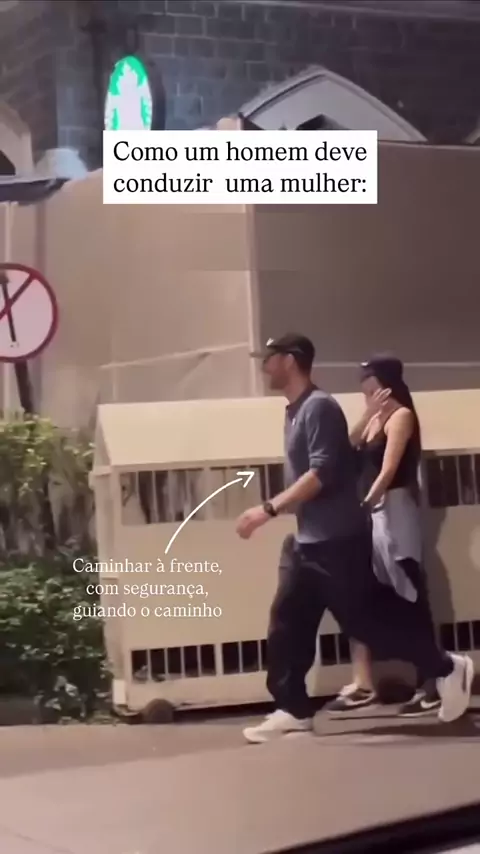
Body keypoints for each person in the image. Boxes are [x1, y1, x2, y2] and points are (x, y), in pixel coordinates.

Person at [235, 334, 473, 744]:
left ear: (290, 361)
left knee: (369, 625)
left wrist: (267, 509)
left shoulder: (319, 408)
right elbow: (341, 455)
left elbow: (323, 472)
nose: (263, 366)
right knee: (287, 622)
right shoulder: (296, 410)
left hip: (337, 542)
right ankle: (293, 710)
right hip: (308, 541)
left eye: (269, 359)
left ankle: (447, 667)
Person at [326, 355, 441, 717]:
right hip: (374, 514)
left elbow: (389, 470)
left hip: (394, 510)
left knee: (409, 591)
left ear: (390, 386)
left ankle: (433, 682)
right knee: (366, 593)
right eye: (366, 391)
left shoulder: (401, 417)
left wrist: (365, 503)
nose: (370, 395)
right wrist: (368, 414)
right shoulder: (375, 418)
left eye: (375, 389)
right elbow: (343, 450)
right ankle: (365, 683)